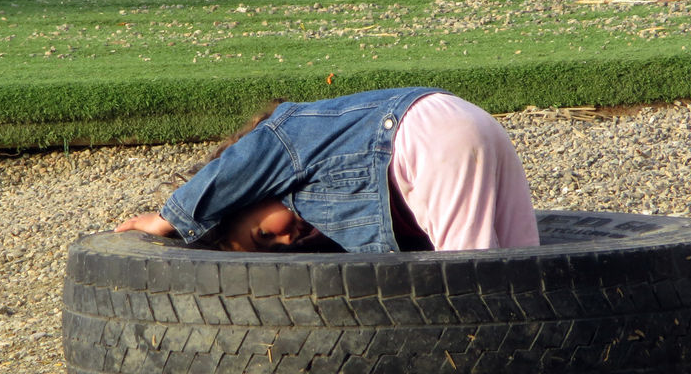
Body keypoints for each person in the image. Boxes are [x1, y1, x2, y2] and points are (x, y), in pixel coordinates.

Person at [115, 87, 539, 253]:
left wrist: (171, 216)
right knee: (522, 258)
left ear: (246, 195)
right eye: (276, 247)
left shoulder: (284, 142)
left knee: (473, 271)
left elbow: (240, 163)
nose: (285, 238)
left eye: (264, 234)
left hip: (424, 133)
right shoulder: (325, 219)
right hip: (473, 123)